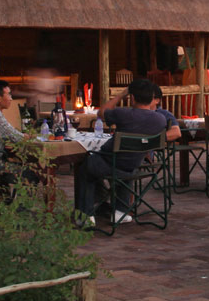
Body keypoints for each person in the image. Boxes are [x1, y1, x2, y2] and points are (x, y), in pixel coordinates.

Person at [73, 78, 181, 227]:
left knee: (85, 165)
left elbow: (101, 112)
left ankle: (86, 216)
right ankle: (120, 212)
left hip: (109, 163)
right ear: (152, 99)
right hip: (132, 167)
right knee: (124, 161)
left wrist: (120, 95)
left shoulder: (123, 113)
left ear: (133, 97)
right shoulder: (160, 120)